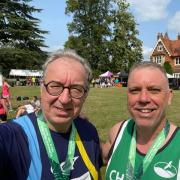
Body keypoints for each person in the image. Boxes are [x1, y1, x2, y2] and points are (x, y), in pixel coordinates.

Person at [0, 49, 102, 179]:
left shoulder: (88, 132)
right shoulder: (12, 137)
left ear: (85, 95)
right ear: (42, 88)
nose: (65, 99)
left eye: (76, 89)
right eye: (55, 86)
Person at [102, 61, 180, 180]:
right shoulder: (118, 131)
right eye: (135, 90)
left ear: (169, 97)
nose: (143, 98)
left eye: (154, 90)